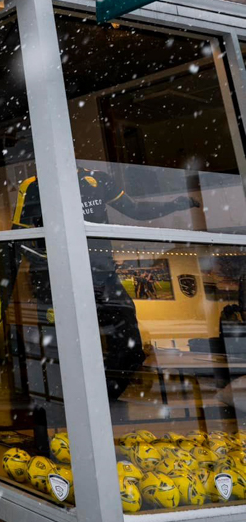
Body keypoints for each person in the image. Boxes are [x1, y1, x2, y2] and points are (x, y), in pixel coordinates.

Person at [15, 167, 198, 401]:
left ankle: (101, 400)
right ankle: (73, 405)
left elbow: (136, 210)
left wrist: (173, 204)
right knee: (70, 349)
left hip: (103, 276)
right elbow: (18, 237)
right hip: (61, 280)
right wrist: (50, 262)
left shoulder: (98, 179)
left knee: (131, 350)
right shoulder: (34, 185)